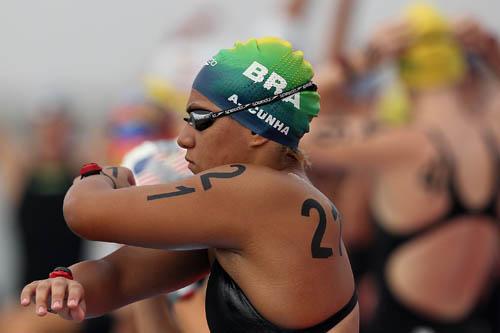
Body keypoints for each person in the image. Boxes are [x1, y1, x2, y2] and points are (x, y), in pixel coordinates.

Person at [19, 37, 359, 333]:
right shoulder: (267, 206)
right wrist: (66, 284)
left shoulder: (255, 192)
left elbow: (83, 211)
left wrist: (100, 176)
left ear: (256, 130)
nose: (182, 139)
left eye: (199, 119)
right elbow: (118, 278)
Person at [302, 5, 500, 333]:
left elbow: (277, 121)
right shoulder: (493, 136)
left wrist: (355, 63)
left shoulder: (403, 146)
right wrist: (492, 52)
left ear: (403, 74)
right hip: (475, 321)